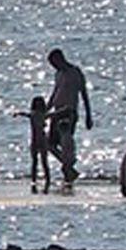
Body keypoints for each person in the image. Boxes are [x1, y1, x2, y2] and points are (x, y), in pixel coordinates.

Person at [45, 48, 92, 188]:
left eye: (54, 63)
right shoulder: (58, 74)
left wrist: (88, 115)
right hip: (56, 111)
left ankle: (68, 168)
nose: (54, 66)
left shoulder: (75, 72)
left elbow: (83, 93)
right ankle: (69, 167)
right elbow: (55, 93)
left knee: (66, 143)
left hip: (69, 112)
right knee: (50, 144)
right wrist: (46, 110)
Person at [16, 96, 53, 194]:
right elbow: (26, 114)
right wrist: (19, 113)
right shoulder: (34, 114)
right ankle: (34, 179)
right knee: (35, 162)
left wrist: (63, 111)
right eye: (37, 104)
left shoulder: (42, 114)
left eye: (40, 104)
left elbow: (53, 114)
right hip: (35, 140)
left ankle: (47, 179)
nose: (38, 106)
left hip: (42, 140)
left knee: (43, 161)